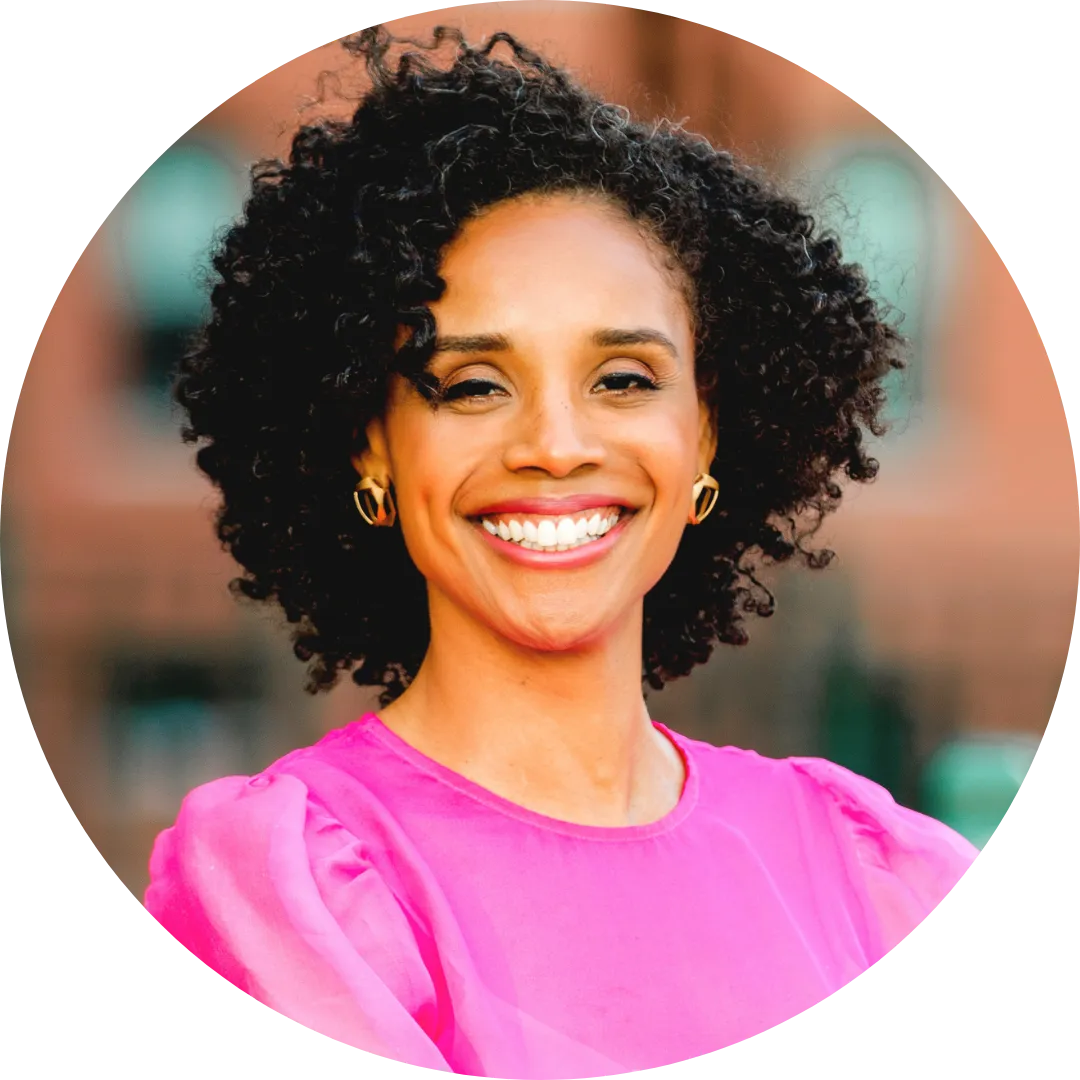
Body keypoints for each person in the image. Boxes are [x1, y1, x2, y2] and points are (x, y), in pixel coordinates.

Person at [144, 24, 979, 1078]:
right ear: (372, 445)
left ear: (706, 435)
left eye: (623, 379)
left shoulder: (873, 868)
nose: (555, 444)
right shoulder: (291, 885)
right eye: (472, 385)